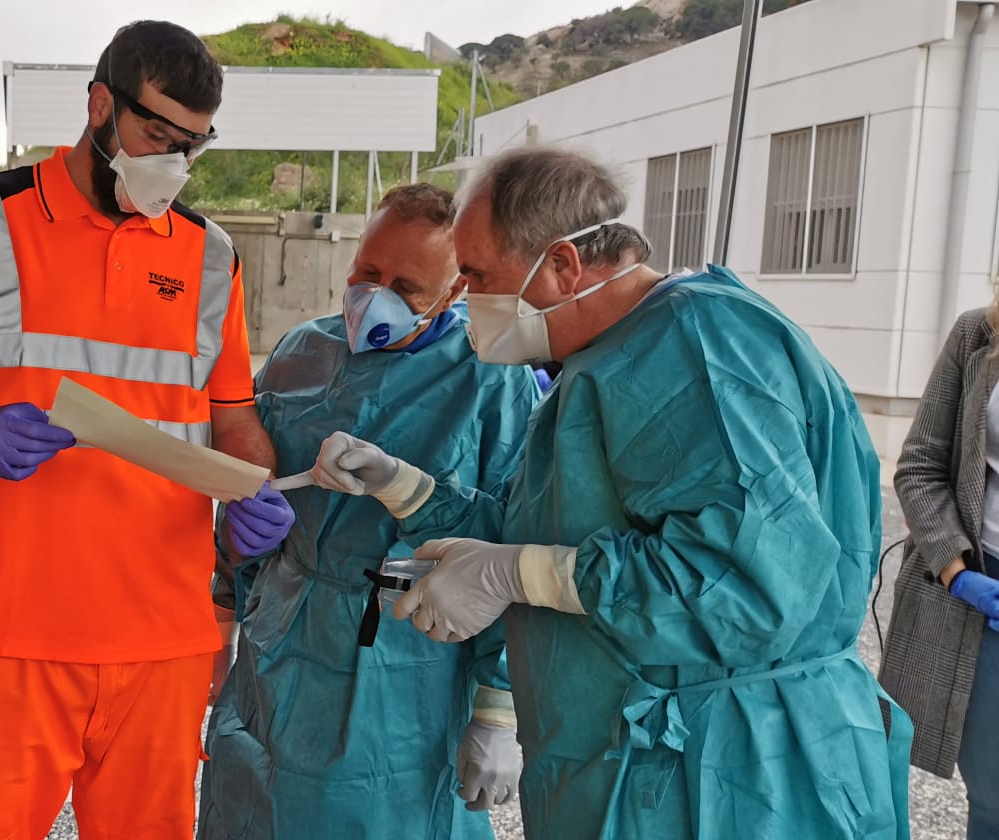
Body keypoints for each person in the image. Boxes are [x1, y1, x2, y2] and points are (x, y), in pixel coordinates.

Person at [311, 146, 912, 838]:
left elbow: (746, 583)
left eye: (477, 276)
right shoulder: (606, 357)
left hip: (731, 770)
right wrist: (407, 487)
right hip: (646, 754)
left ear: (562, 266)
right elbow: (554, 529)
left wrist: (517, 573)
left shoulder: (697, 348)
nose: (468, 299)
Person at [0, 21, 292, 840]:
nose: (172, 161)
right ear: (99, 105)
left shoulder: (211, 258)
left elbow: (233, 415)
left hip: (162, 639)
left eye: (191, 146)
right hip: (0, 634)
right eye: (155, 134)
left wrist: (252, 489)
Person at [199, 183, 540, 839]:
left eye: (407, 286)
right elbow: (249, 499)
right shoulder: (301, 354)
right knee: (249, 809)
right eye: (367, 272)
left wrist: (498, 710)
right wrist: (231, 581)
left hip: (408, 664)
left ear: (455, 293)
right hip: (280, 646)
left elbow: (514, 546)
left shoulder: (490, 380)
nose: (374, 295)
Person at [885, 301, 999, 838]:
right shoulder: (978, 332)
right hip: (985, 595)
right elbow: (920, 466)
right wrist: (958, 575)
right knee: (995, 798)